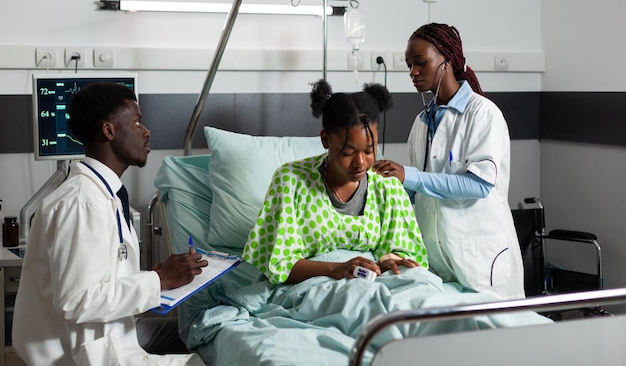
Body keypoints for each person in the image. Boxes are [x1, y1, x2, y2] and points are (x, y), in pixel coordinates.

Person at [12, 82, 207, 366]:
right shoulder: (82, 202)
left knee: (202, 331)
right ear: (109, 130)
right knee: (202, 361)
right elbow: (77, 301)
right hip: (82, 354)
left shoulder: (105, 194)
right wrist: (159, 280)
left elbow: (100, 277)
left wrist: (154, 277)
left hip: (109, 334)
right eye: (138, 122)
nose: (147, 131)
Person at [373, 23, 525, 300]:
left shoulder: (482, 114)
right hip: (439, 258)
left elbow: (478, 185)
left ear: (447, 62)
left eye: (421, 63)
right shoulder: (422, 123)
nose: (413, 72)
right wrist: (386, 187)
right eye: (408, 65)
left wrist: (410, 176)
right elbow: (423, 188)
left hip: (482, 260)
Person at [242, 80, 428, 285]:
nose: (360, 163)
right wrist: (337, 269)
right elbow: (279, 265)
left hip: (373, 282)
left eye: (369, 151)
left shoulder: (387, 187)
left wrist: (388, 262)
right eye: (348, 152)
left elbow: (404, 252)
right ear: (325, 140)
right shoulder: (291, 181)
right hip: (312, 284)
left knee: (422, 291)